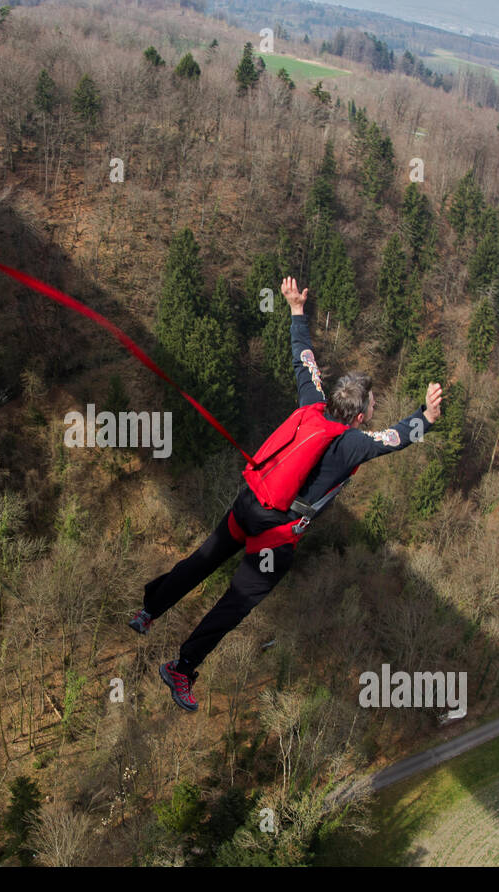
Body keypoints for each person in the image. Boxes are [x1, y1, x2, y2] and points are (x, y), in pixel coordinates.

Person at [129, 276, 444, 711]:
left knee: (203, 559)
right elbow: (395, 438)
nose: (375, 412)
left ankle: (149, 611)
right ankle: (181, 668)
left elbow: (304, 360)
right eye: (372, 406)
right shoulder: (353, 443)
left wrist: (297, 311)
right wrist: (426, 416)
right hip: (276, 538)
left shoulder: (311, 403)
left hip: (250, 503)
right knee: (234, 604)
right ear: (360, 412)